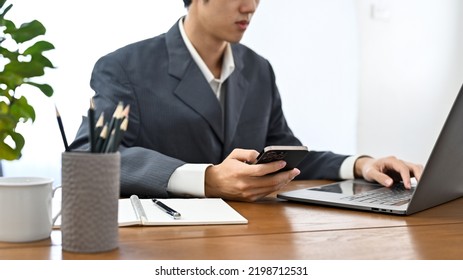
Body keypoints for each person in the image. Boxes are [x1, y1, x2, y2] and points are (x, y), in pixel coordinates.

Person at [69, 0, 423, 201]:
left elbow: (284, 154)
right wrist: (205, 178)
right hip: (165, 246)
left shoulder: (258, 69)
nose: (250, 6)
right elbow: (89, 158)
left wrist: (362, 165)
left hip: (253, 239)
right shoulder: (124, 67)